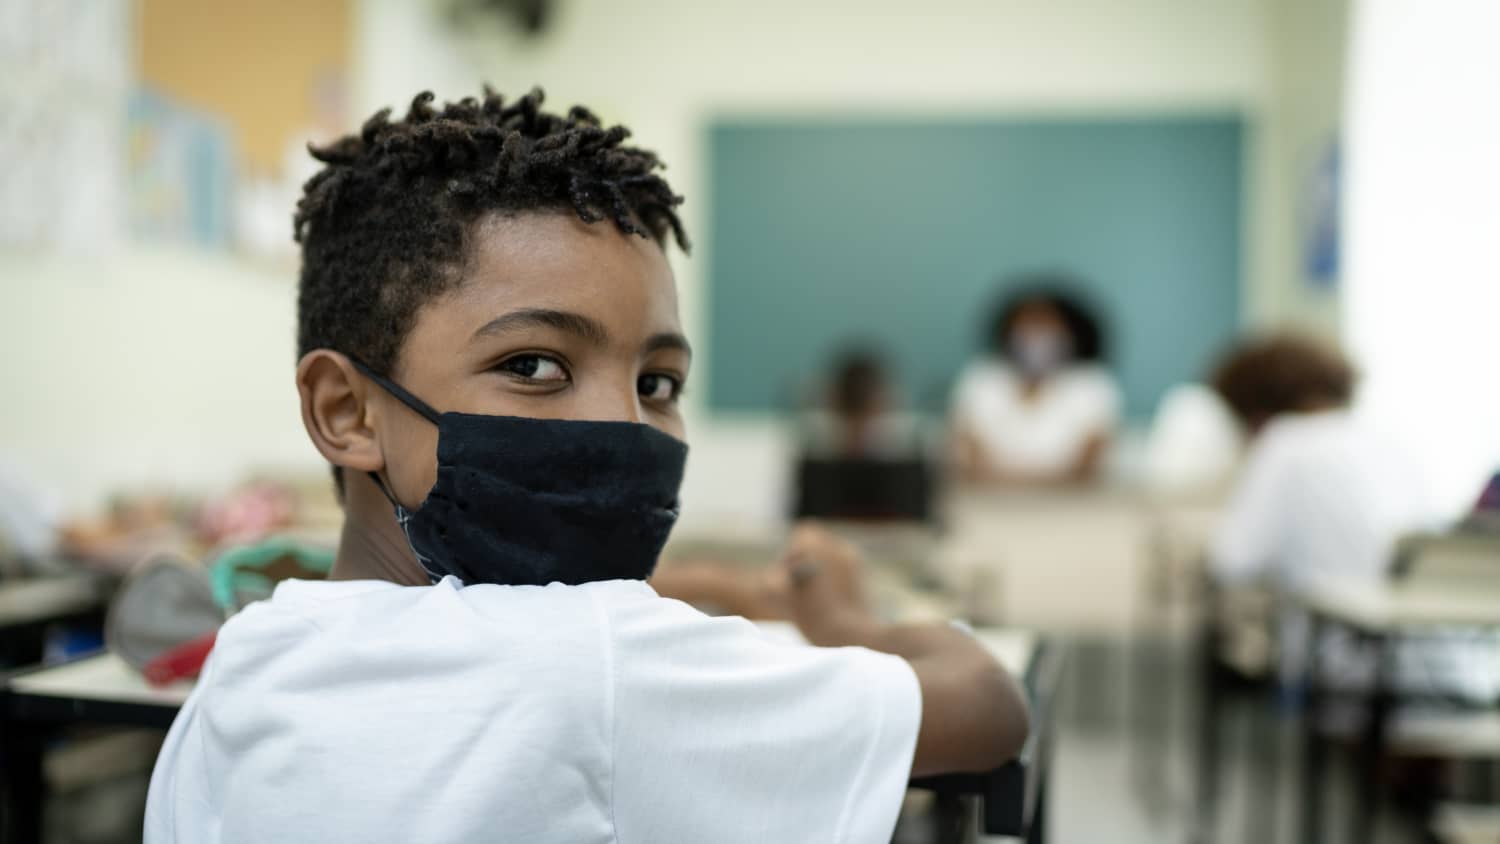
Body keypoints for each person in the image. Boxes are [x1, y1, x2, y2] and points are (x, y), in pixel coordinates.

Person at [145, 88, 1028, 843]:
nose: (619, 425)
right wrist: (845, 618)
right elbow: (987, 705)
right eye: (534, 366)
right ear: (347, 411)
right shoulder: (595, 663)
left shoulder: (250, 656)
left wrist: (724, 588)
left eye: (657, 381)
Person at [1206, 334, 1500, 702]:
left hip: (1346, 676)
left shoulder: (1284, 443)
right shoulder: (1392, 440)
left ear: (1256, 409)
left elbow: (1231, 560)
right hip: (1452, 669)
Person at [949, 281, 1122, 485]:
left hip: (1071, 505)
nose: (1036, 334)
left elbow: (1091, 459)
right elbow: (968, 451)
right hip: (988, 501)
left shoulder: (1091, 383)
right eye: (1028, 323)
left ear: (1069, 333)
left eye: (1046, 324)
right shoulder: (982, 379)